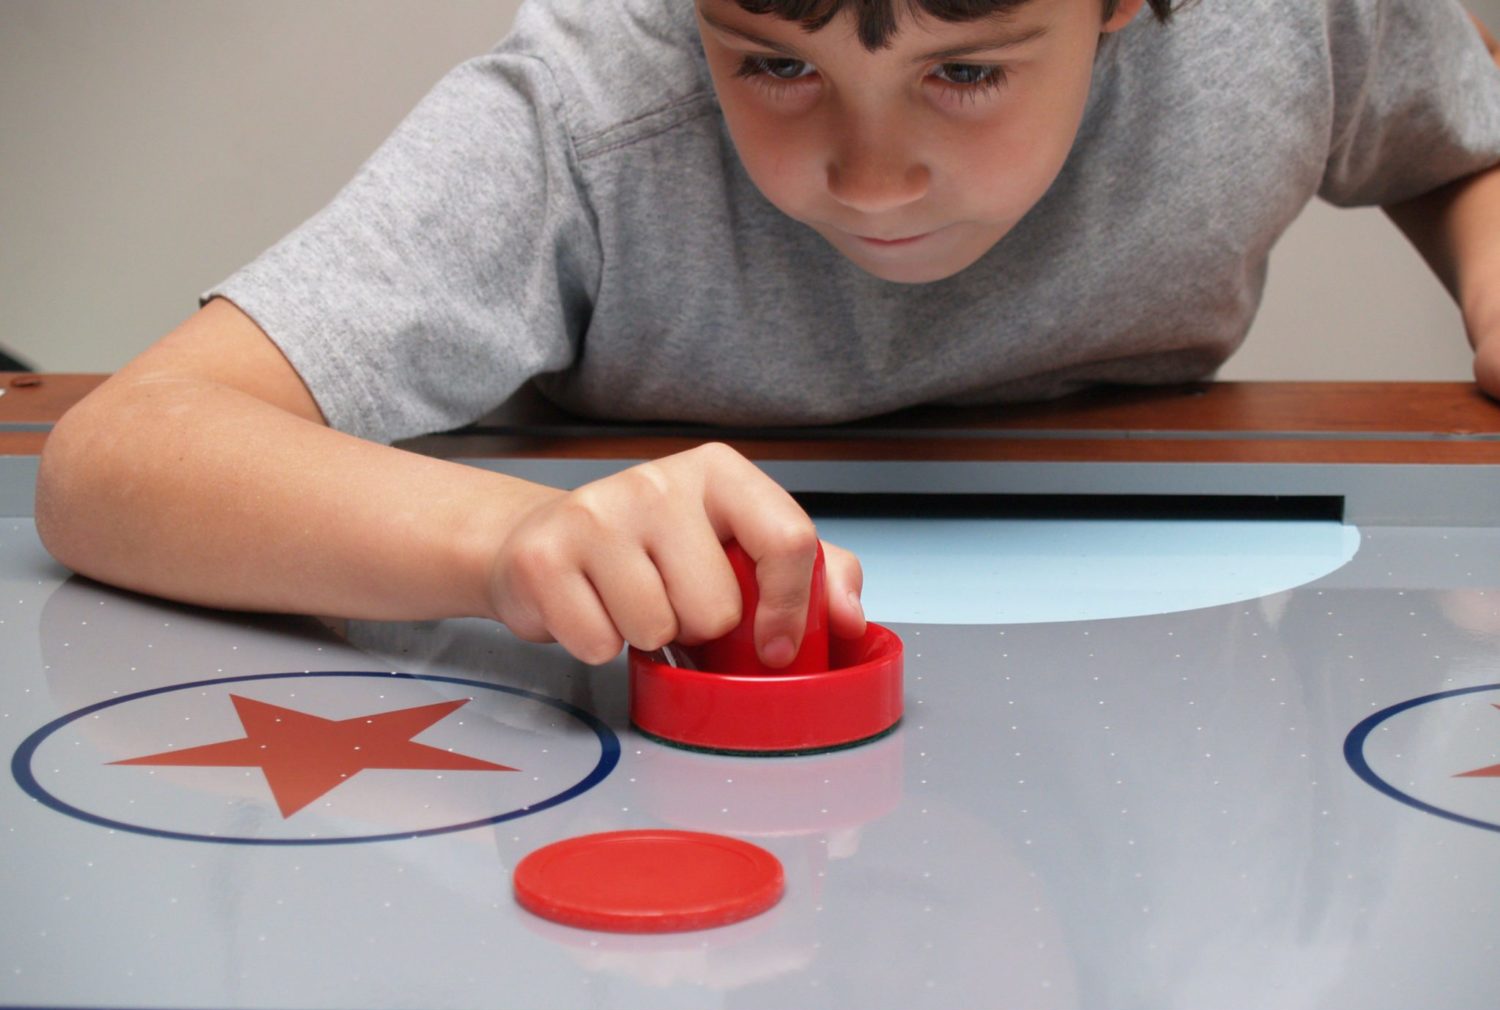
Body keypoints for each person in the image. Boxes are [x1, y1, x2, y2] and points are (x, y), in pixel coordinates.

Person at [34, 0, 1500, 670]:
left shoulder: (1296, 22)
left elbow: (1461, 149)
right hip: (653, 688)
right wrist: (503, 542)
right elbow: (116, 454)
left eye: (969, 67)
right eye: (777, 62)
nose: (869, 177)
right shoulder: (592, 113)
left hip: (1149, 660)